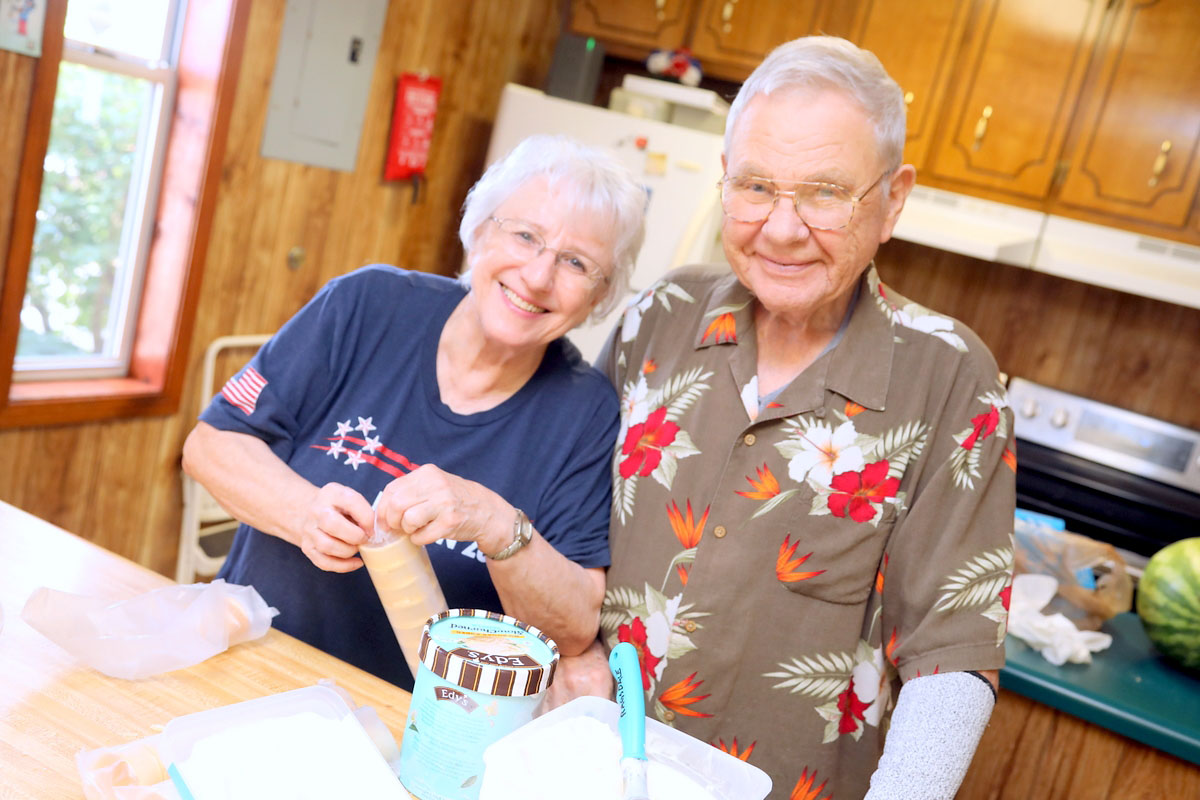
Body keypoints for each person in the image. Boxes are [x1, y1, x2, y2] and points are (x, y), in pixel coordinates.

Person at [557, 36, 1017, 800]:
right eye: (756, 185)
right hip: (588, 766)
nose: (780, 227)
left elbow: (951, 652)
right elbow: (566, 521)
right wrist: (569, 657)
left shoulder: (949, 378)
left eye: (825, 193)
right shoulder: (662, 315)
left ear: (893, 200)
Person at [181, 134, 647, 690]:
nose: (538, 276)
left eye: (575, 263)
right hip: (247, 660)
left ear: (599, 297)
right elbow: (212, 444)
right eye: (525, 236)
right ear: (479, 231)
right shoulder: (367, 304)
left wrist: (493, 522)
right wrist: (304, 513)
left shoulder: (585, 412)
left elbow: (572, 628)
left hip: (411, 717)